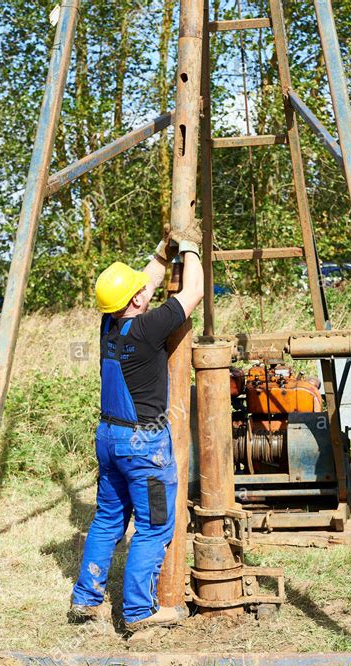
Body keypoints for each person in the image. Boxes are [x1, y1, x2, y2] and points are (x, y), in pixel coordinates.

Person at [70, 228, 204, 631]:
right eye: (139, 289)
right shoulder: (149, 329)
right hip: (144, 445)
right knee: (153, 526)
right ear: (136, 300)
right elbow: (193, 290)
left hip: (108, 438)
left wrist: (163, 254)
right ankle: (138, 612)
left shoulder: (108, 328)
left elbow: (144, 284)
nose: (145, 289)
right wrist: (192, 248)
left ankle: (86, 598)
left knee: (108, 519)